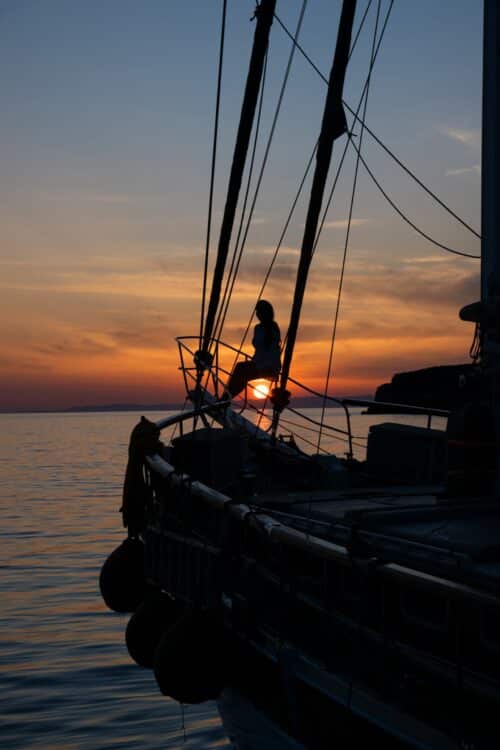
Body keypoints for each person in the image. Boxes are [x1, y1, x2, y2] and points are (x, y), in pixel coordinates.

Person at [224, 300, 281, 399]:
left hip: (265, 367)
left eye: (259, 312)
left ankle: (226, 398)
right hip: (269, 366)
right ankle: (226, 397)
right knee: (242, 372)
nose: (257, 314)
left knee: (240, 369)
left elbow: (262, 346)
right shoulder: (274, 327)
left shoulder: (260, 328)